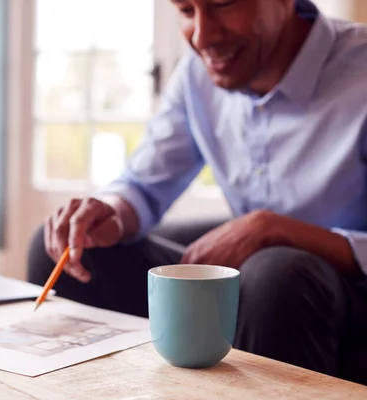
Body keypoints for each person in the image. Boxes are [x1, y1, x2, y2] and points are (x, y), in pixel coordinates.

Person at [27, 0, 367, 381]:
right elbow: (142, 184)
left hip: (347, 285)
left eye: (223, 5)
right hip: (259, 275)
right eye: (187, 10)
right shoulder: (198, 74)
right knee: (74, 246)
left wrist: (277, 229)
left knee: (277, 275)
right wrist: (108, 211)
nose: (203, 37)